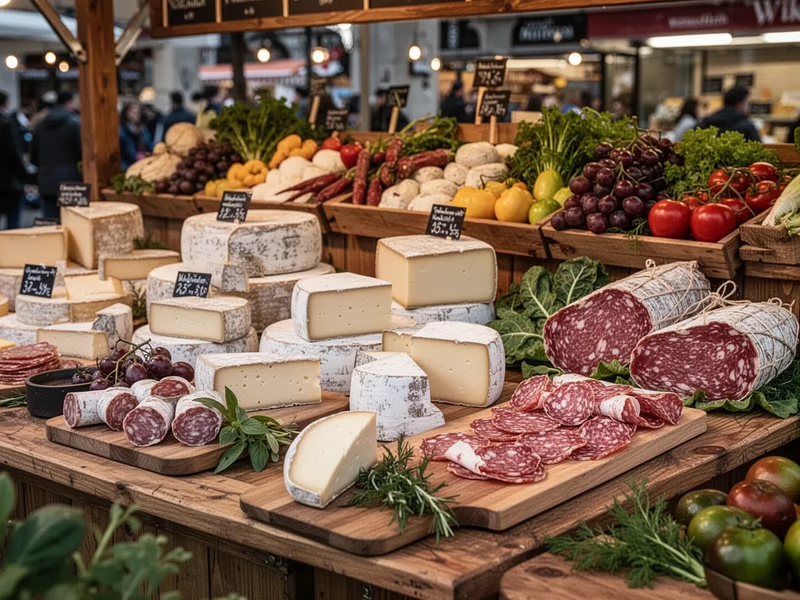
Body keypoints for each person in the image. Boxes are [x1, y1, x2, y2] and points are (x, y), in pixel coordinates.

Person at [31, 91, 81, 219]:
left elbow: (33, 155)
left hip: (45, 180)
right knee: (74, 223)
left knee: (51, 225)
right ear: (68, 102)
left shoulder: (40, 124)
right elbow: (81, 153)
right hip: (72, 182)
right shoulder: (75, 123)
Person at [0, 92, 30, 229]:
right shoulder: (7, 124)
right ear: (5, 104)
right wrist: (24, 177)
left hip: (7, 180)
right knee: (13, 227)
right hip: (8, 181)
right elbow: (14, 153)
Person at [119, 102, 153, 171]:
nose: (136, 115)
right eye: (133, 112)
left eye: (138, 113)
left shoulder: (143, 129)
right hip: (128, 166)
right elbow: (126, 150)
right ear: (127, 113)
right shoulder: (123, 130)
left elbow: (149, 145)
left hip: (144, 163)